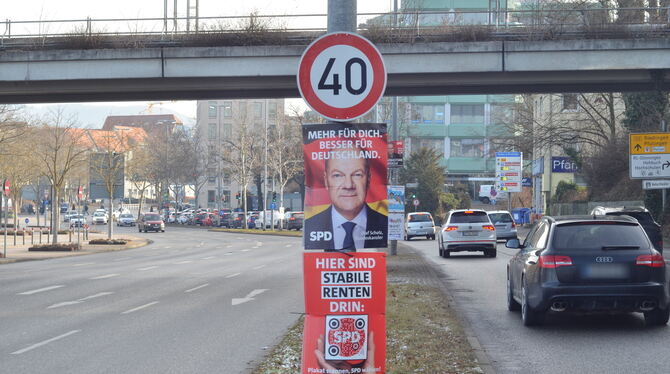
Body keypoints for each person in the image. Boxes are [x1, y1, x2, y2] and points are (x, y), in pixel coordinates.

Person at [304, 150, 387, 250]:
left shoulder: (384, 224)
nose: (348, 185)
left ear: (368, 179)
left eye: (357, 175)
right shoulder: (312, 226)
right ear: (326, 181)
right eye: (338, 175)